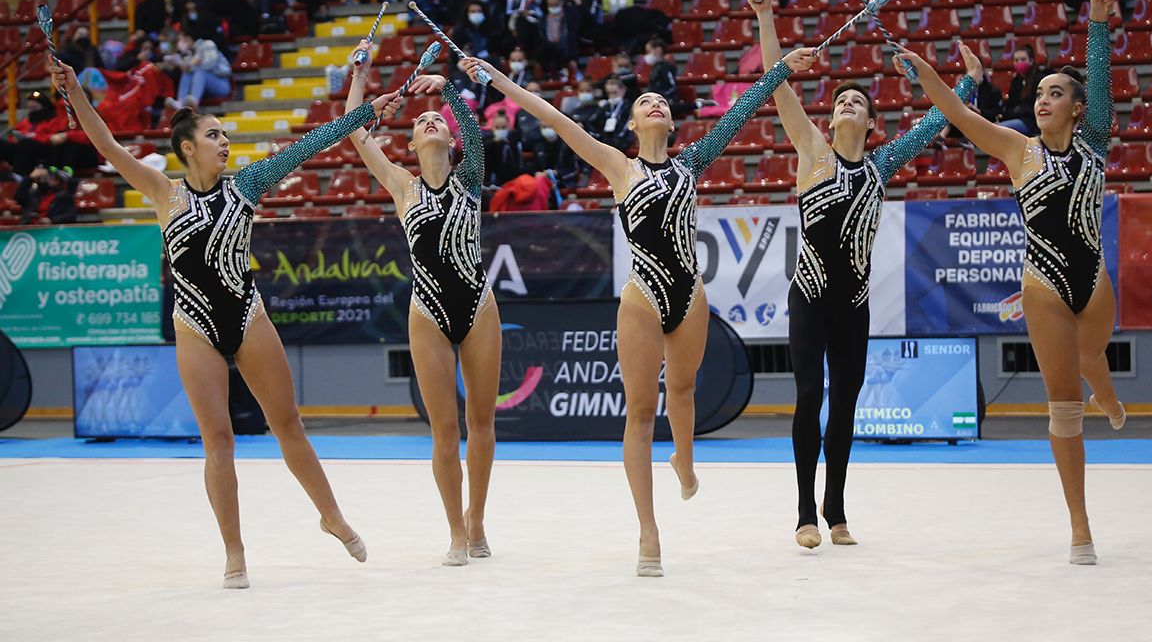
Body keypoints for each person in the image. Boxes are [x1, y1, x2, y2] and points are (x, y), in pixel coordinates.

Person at [458, 40, 809, 576]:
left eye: (661, 103)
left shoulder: (691, 163)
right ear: (632, 125)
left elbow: (742, 110)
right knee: (641, 413)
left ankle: (686, 463)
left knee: (686, 390)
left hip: (689, 292)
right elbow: (557, 118)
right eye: (644, 103)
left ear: (670, 123)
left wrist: (782, 68)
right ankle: (649, 533)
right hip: (643, 295)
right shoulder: (619, 168)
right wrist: (499, 82)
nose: (655, 106)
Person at [49, 54, 398, 588]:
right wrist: (74, 91)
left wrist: (365, 109)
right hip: (195, 324)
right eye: (214, 136)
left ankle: (332, 516)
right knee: (219, 441)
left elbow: (310, 145)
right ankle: (234, 554)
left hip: (247, 313)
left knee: (288, 423)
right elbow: (107, 146)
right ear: (187, 147)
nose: (225, 142)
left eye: (226, 135)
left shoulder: (247, 185)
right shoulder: (164, 193)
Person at [893, 0, 1124, 566]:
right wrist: (927, 73)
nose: (1042, 100)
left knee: (1093, 355)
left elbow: (1101, 80)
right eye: (1039, 93)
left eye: (1055, 94)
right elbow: (958, 114)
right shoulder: (1018, 150)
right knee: (1064, 402)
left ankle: (1111, 395)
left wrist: (1098, 27)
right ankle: (1081, 526)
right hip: (1042, 284)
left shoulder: (1095, 141)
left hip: (1093, 279)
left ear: (1077, 107)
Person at [747, 0, 979, 550]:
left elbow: (935, 123)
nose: (848, 106)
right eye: (841, 102)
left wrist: (965, 80)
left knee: (846, 403)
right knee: (808, 396)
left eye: (859, 103)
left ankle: (838, 510)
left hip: (853, 305)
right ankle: (805, 512)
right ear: (828, 121)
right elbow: (777, 88)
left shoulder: (880, 166)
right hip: (810, 297)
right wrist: (767, 17)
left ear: (873, 125)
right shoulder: (812, 151)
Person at [342, 40, 499, 565]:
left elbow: (475, 134)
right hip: (427, 311)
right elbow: (354, 131)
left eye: (439, 121)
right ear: (409, 142)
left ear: (450, 140)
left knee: (481, 422)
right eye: (422, 120)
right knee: (444, 428)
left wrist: (450, 90)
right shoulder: (402, 185)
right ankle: (455, 530)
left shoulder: (469, 177)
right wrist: (360, 78)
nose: (431, 121)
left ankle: (477, 519)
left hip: (478, 305)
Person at [0, 92, 95, 176]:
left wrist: (33, 137)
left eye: (35, 103)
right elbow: (13, 135)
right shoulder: (25, 121)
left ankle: (19, 175)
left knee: (26, 144)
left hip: (44, 148)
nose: (31, 104)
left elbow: (54, 136)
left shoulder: (53, 120)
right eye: (30, 102)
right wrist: (15, 139)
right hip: (23, 148)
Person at [980, 44, 1043, 135]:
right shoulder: (1016, 81)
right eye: (1016, 60)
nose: (1019, 63)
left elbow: (1032, 107)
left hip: (1032, 122)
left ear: (1031, 61)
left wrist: (1016, 111)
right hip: (1016, 118)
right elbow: (1010, 104)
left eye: (1023, 59)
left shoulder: (1039, 79)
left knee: (998, 129)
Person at [164, 30, 232, 109]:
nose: (179, 42)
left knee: (200, 71)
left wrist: (194, 64)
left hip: (221, 84)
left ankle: (194, 101)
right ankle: (180, 101)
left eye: (181, 39)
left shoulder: (207, 44)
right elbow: (187, 68)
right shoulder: (188, 53)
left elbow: (210, 63)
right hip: (204, 88)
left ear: (188, 38)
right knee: (187, 73)